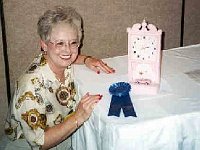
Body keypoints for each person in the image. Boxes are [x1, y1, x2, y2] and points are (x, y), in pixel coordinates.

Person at [2, 6, 115, 150]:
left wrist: (87, 59)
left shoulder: (60, 63)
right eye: (60, 43)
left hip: (63, 141)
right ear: (44, 45)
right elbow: (39, 143)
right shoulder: (30, 86)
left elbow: (69, 56)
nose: (67, 50)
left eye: (73, 43)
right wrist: (78, 117)